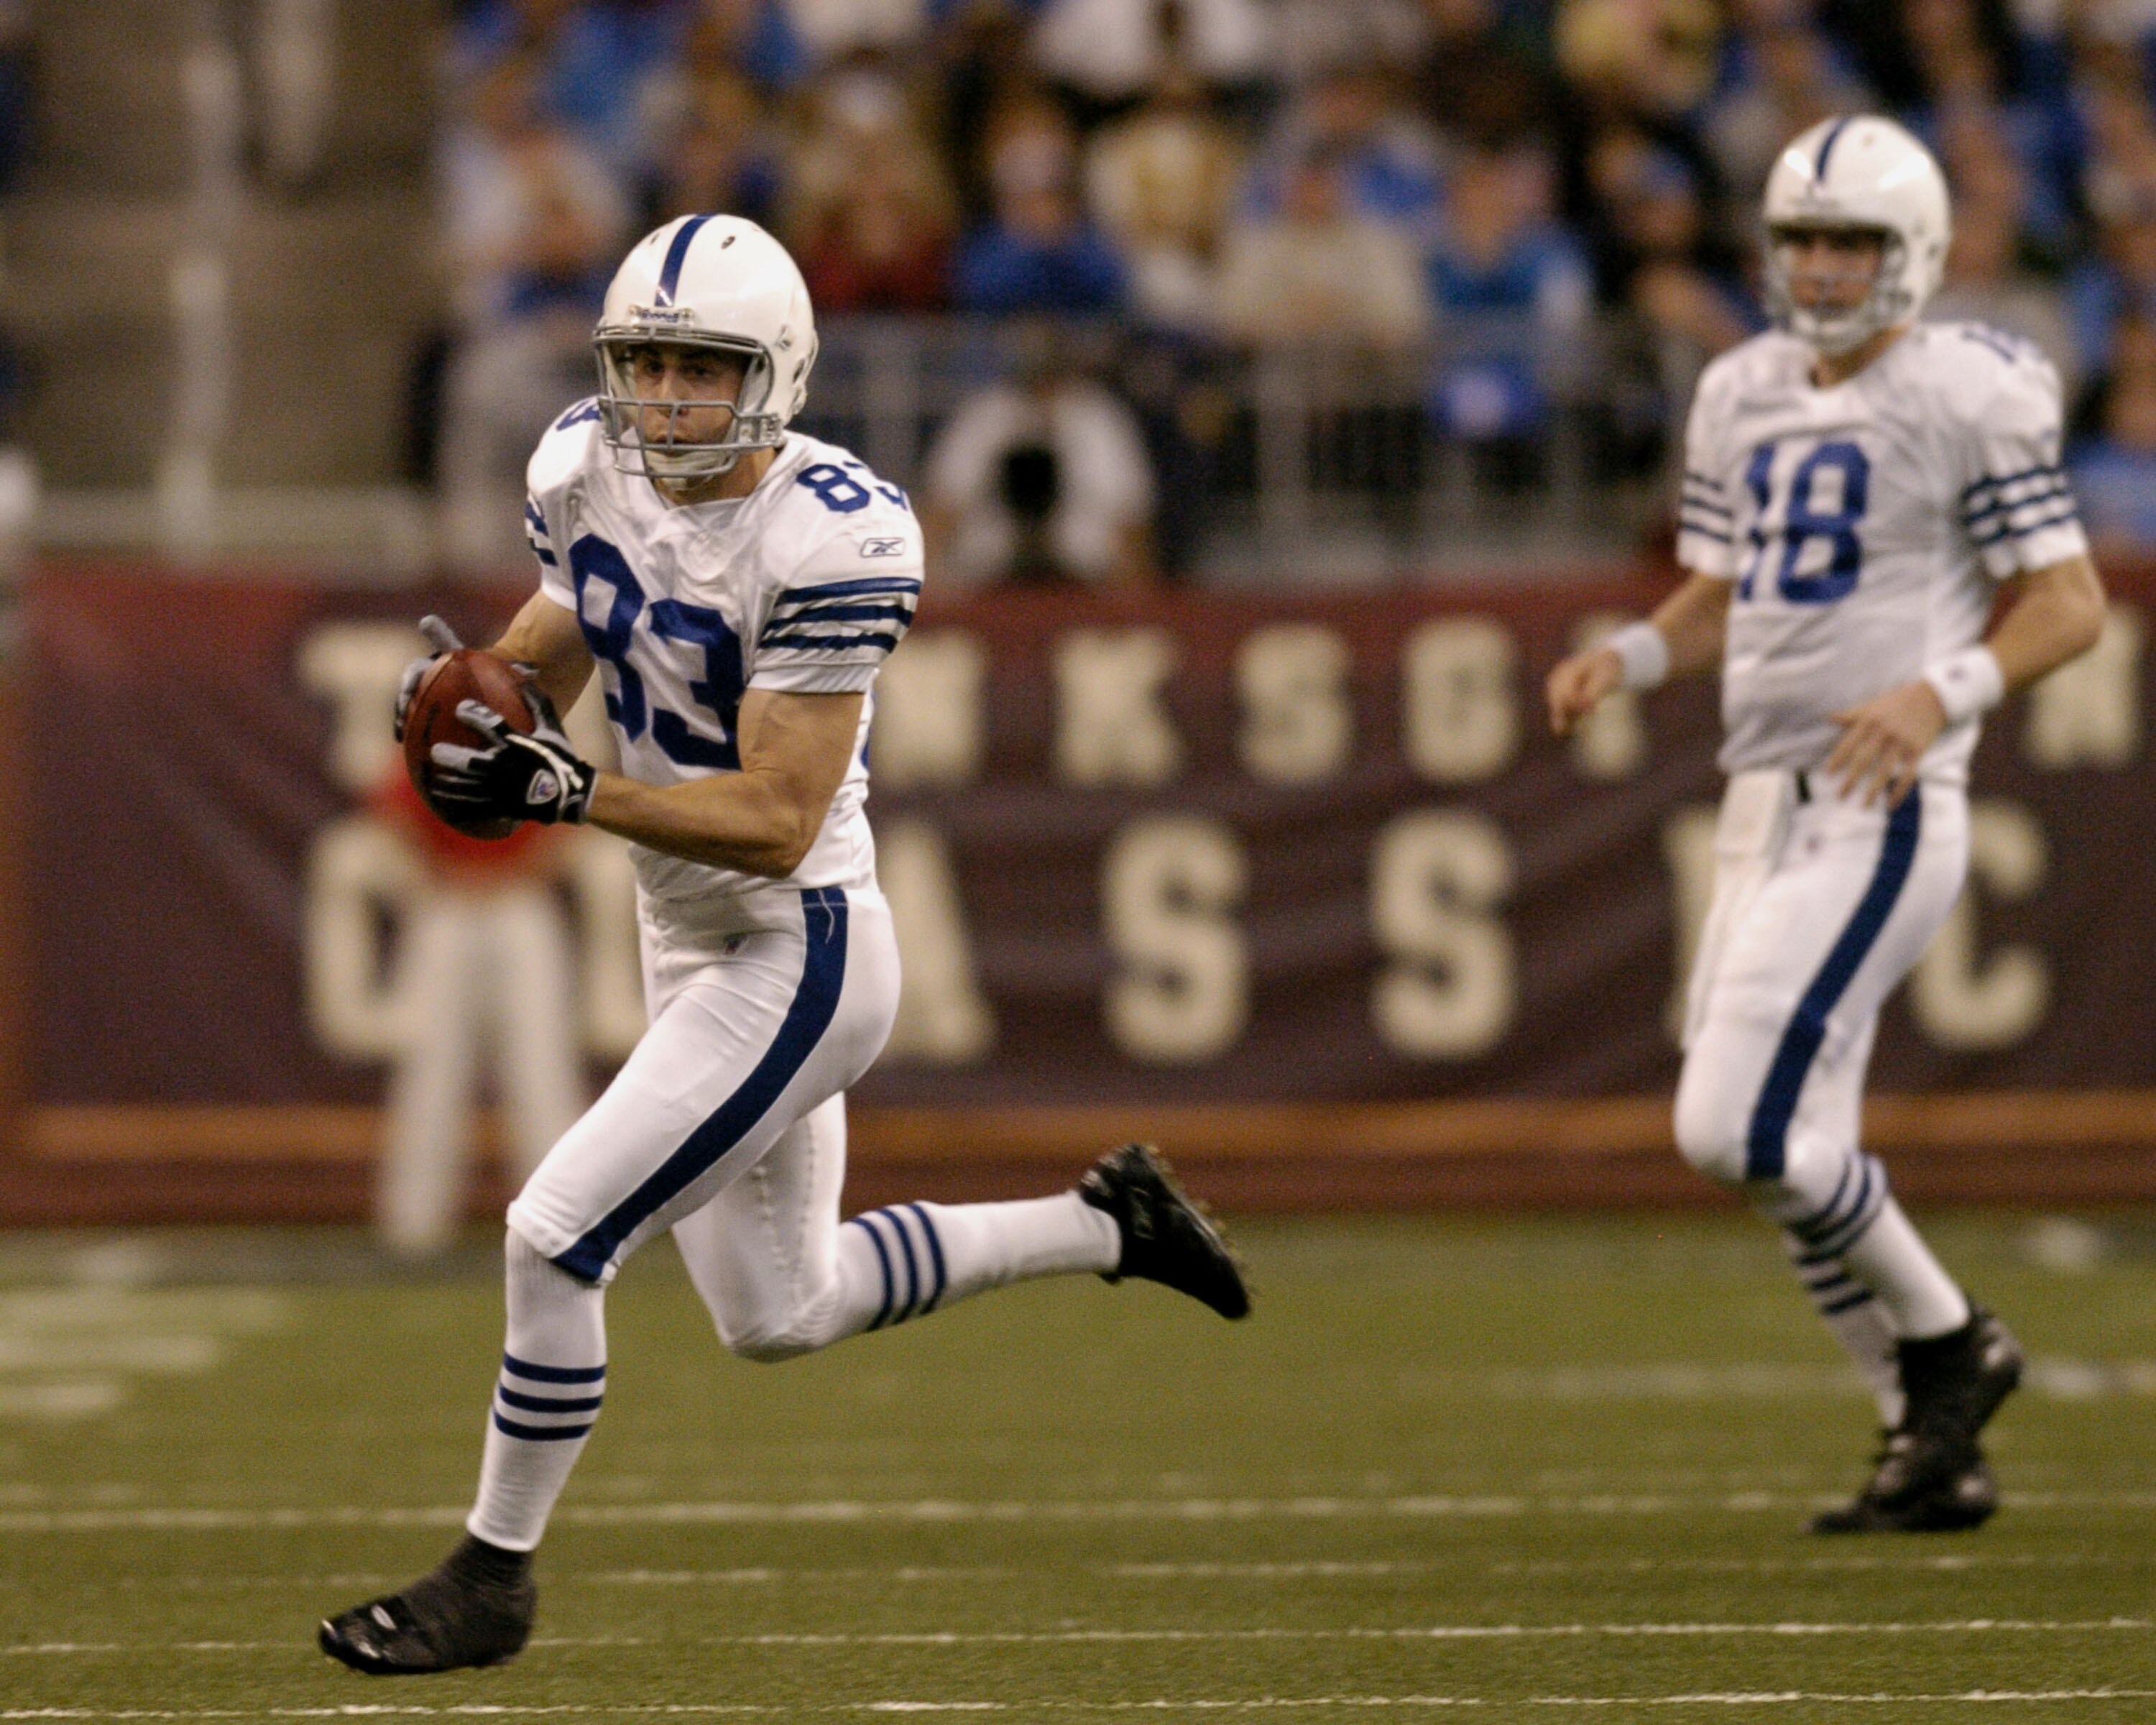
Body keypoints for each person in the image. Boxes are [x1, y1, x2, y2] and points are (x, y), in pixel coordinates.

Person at [318, 213, 1249, 1677]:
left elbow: (774, 814)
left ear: (781, 374)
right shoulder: (580, 462)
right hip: (680, 927)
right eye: (651, 364)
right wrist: (477, 695)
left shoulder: (838, 530)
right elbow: (565, 624)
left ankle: (492, 1577)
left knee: (553, 1236)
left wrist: (571, 789)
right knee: (780, 1310)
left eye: (706, 367)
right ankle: (1107, 1225)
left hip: (795, 942)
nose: (673, 399)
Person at [1545, 116, 2106, 1534]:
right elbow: (1719, 586)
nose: (1824, 265)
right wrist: (1634, 654)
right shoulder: (1739, 386)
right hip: (1760, 798)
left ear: (1911, 249)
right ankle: (1926, 1443)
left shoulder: (1966, 388)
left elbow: (2069, 601)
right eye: (1802, 240)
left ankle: (1954, 1343)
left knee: (1738, 1127)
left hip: (1882, 801)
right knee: (1792, 1156)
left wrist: (1939, 692)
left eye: (1851, 239)